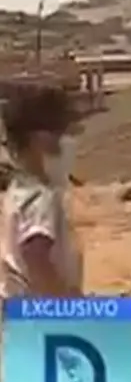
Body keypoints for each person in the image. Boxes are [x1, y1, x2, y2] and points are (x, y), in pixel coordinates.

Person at [0, 83, 84, 298]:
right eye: (61, 135)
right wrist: (65, 306)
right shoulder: (40, 198)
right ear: (40, 141)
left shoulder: (19, 190)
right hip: (40, 315)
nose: (68, 144)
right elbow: (35, 255)